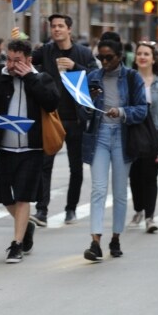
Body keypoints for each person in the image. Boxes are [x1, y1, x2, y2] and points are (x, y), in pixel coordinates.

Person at [0, 39, 59, 263]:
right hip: (6, 147)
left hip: (32, 148)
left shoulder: (41, 78)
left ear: (29, 60)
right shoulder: (0, 82)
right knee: (5, 197)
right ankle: (28, 226)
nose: (12, 65)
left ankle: (16, 244)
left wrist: (29, 78)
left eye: (18, 61)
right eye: (9, 60)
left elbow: (52, 103)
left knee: (23, 196)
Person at [82, 32, 148, 261]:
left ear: (120, 56)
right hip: (99, 136)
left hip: (122, 136)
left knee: (119, 193)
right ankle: (95, 241)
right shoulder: (93, 77)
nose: (104, 62)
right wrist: (89, 103)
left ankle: (116, 237)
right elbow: (85, 111)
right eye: (100, 57)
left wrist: (121, 112)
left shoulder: (132, 78)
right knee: (98, 190)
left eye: (108, 57)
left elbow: (142, 110)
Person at [30, 14, 98, 227]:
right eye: (53, 26)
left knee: (75, 167)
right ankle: (42, 210)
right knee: (45, 165)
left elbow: (97, 76)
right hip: (52, 117)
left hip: (75, 119)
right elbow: (26, 61)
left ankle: (71, 208)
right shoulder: (46, 51)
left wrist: (75, 66)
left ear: (69, 29)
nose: (56, 29)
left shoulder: (83, 53)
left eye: (61, 26)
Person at [128, 41, 158, 232]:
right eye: (139, 53)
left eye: (146, 54)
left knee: (150, 175)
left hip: (155, 134)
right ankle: (138, 208)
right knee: (134, 175)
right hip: (133, 133)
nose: (142, 57)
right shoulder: (129, 81)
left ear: (153, 58)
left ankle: (150, 216)